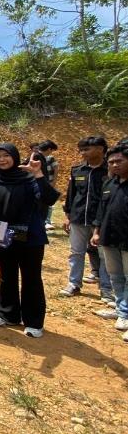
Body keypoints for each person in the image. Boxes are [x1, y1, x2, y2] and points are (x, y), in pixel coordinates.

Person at [0, 143, 60, 338]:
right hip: (2, 233)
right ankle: (7, 314)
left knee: (31, 278)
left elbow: (50, 199)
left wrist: (39, 175)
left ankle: (34, 321)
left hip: (30, 237)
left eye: (6, 155)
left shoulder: (29, 179)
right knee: (6, 275)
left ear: (15, 157)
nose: (2, 159)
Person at [60, 136, 112, 302]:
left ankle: (106, 289)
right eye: (81, 150)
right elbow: (71, 195)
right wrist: (68, 215)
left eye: (87, 149)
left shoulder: (109, 171)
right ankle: (74, 283)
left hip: (101, 220)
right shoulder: (78, 170)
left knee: (104, 255)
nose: (83, 153)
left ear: (101, 149)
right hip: (78, 217)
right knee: (76, 252)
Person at [91, 144, 128, 341]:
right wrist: (96, 231)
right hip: (108, 237)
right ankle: (122, 309)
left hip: (126, 240)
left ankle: (124, 313)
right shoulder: (109, 184)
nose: (114, 165)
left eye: (119, 161)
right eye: (111, 162)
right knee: (116, 275)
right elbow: (101, 211)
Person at [38, 139, 59, 230]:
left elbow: (56, 169)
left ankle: (46, 222)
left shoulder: (50, 158)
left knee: (47, 204)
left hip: (47, 184)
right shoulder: (37, 156)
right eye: (52, 150)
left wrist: (53, 182)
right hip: (40, 186)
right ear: (49, 149)